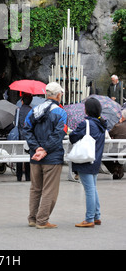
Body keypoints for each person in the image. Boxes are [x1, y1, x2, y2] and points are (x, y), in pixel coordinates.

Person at [23, 82, 67, 229]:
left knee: (35, 188)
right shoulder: (61, 112)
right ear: (59, 95)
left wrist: (36, 149)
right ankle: (42, 220)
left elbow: (27, 130)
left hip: (35, 157)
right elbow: (59, 133)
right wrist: (45, 149)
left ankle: (32, 218)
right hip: (52, 157)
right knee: (50, 189)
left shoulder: (34, 110)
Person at [69, 98, 107, 227]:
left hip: (85, 161)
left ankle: (89, 219)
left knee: (89, 190)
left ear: (87, 110)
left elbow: (73, 137)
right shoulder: (102, 124)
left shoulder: (86, 124)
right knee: (93, 188)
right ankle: (96, 216)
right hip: (95, 160)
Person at [102, 107, 126, 180]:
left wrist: (119, 123)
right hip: (124, 152)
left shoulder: (118, 126)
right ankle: (119, 167)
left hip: (116, 152)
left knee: (103, 156)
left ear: (123, 117)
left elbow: (109, 135)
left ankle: (115, 169)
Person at [16, 93, 33, 181]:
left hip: (19, 136)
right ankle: (28, 176)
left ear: (22, 101)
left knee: (19, 156)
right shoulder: (32, 111)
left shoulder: (18, 110)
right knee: (28, 156)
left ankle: (19, 176)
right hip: (28, 137)